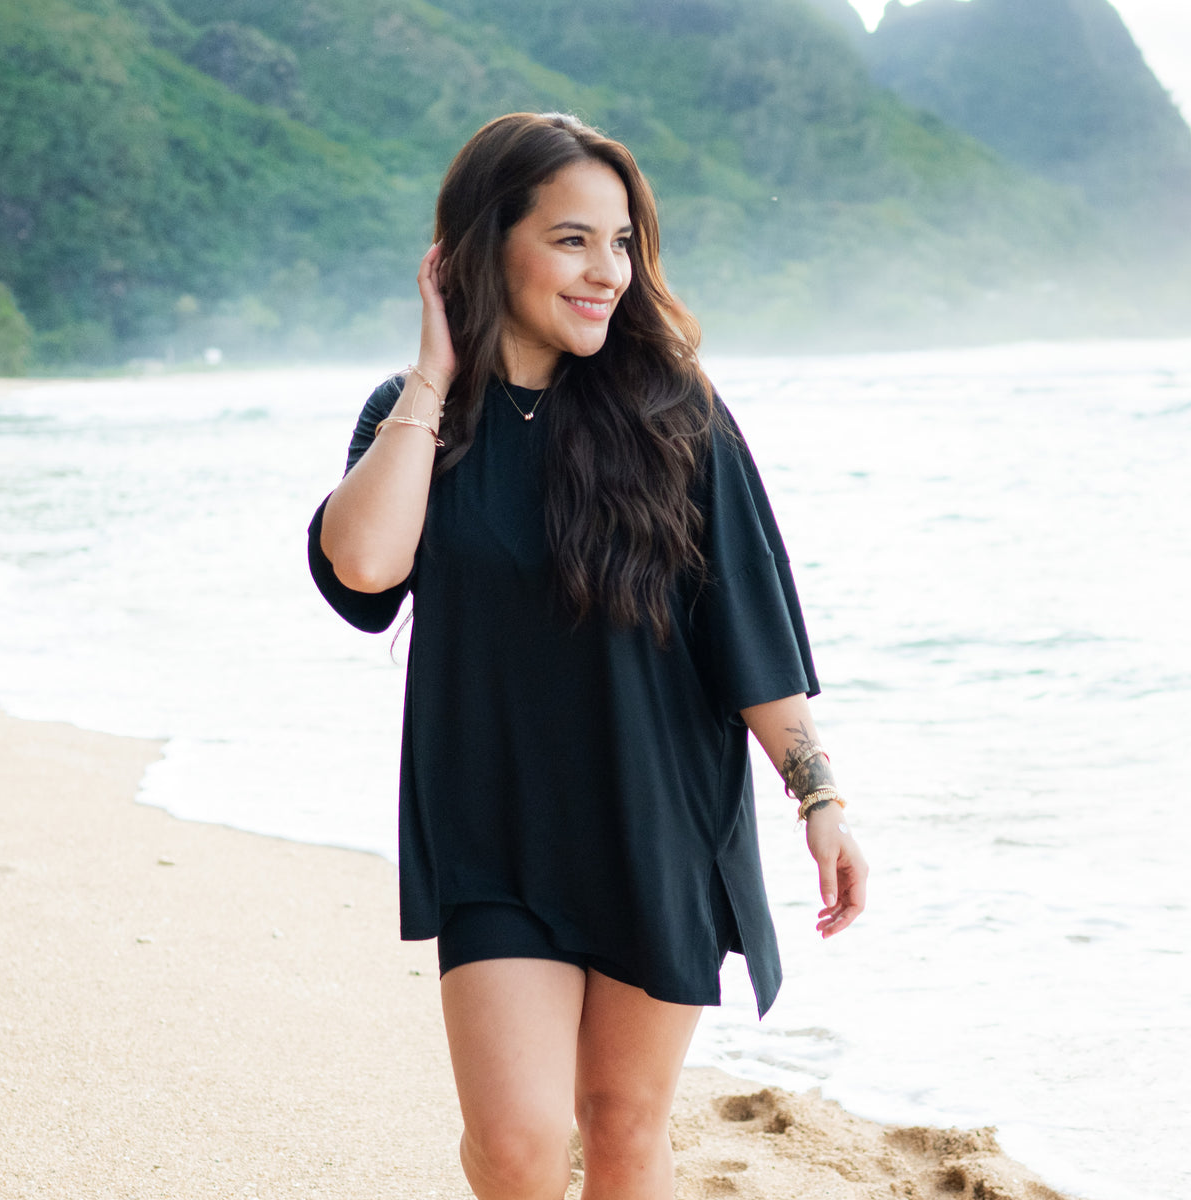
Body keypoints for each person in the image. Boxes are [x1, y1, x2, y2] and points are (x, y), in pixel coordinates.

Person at [308, 111, 868, 1200]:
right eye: (572, 239)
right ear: (484, 243)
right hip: (491, 829)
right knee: (516, 1146)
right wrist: (431, 375)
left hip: (655, 825)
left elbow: (748, 634)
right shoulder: (417, 424)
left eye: (621, 243)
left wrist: (821, 801)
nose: (606, 271)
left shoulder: (675, 415)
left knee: (621, 1129)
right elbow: (366, 566)